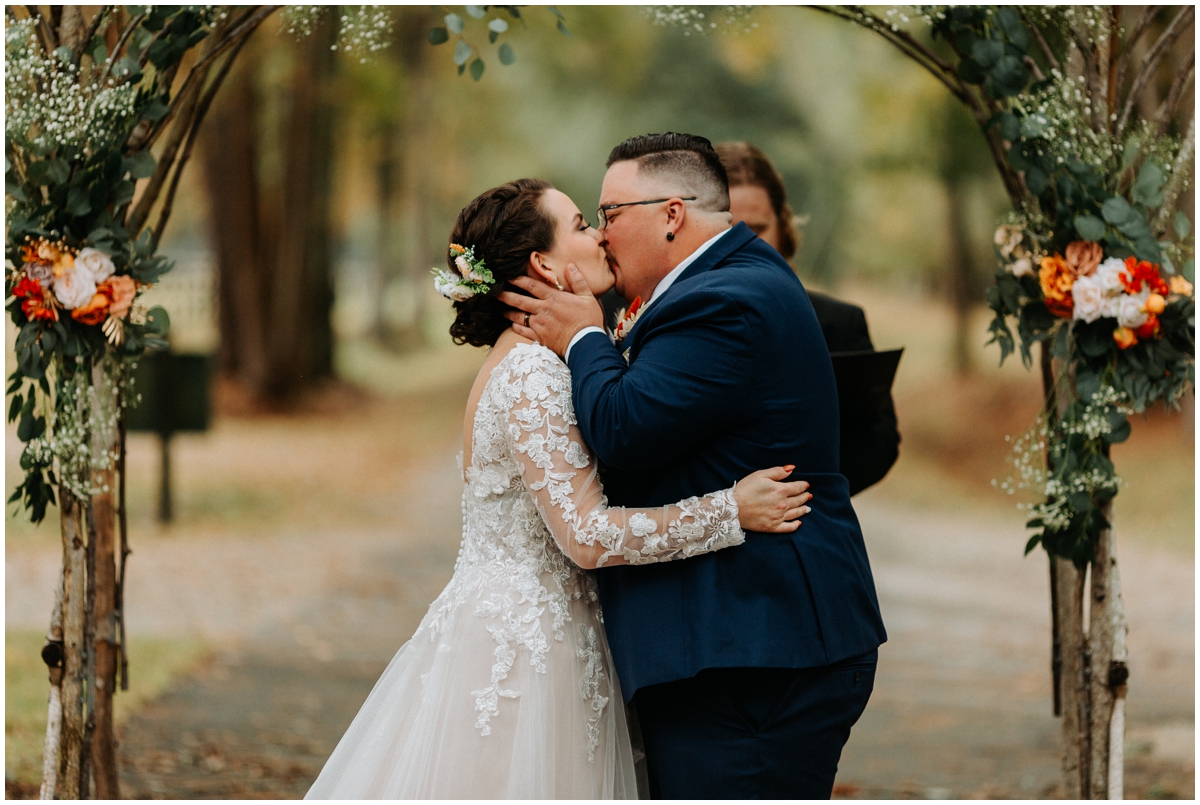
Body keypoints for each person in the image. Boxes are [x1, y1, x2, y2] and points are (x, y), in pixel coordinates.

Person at [305, 178, 814, 799]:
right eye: (579, 224)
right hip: (525, 653)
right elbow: (586, 534)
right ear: (544, 263)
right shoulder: (533, 372)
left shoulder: (528, 359)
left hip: (527, 631)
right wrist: (729, 510)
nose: (599, 233)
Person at [503, 133, 887, 799]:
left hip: (757, 655)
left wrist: (585, 335)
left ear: (672, 214)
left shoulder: (723, 301)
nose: (601, 236)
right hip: (745, 649)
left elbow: (623, 428)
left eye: (610, 215)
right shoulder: (724, 283)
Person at [716, 140, 901, 496]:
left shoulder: (838, 324)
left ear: (783, 228)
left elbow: (879, 441)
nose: (740, 244)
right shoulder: (655, 315)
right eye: (727, 230)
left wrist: (797, 491)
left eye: (756, 229)